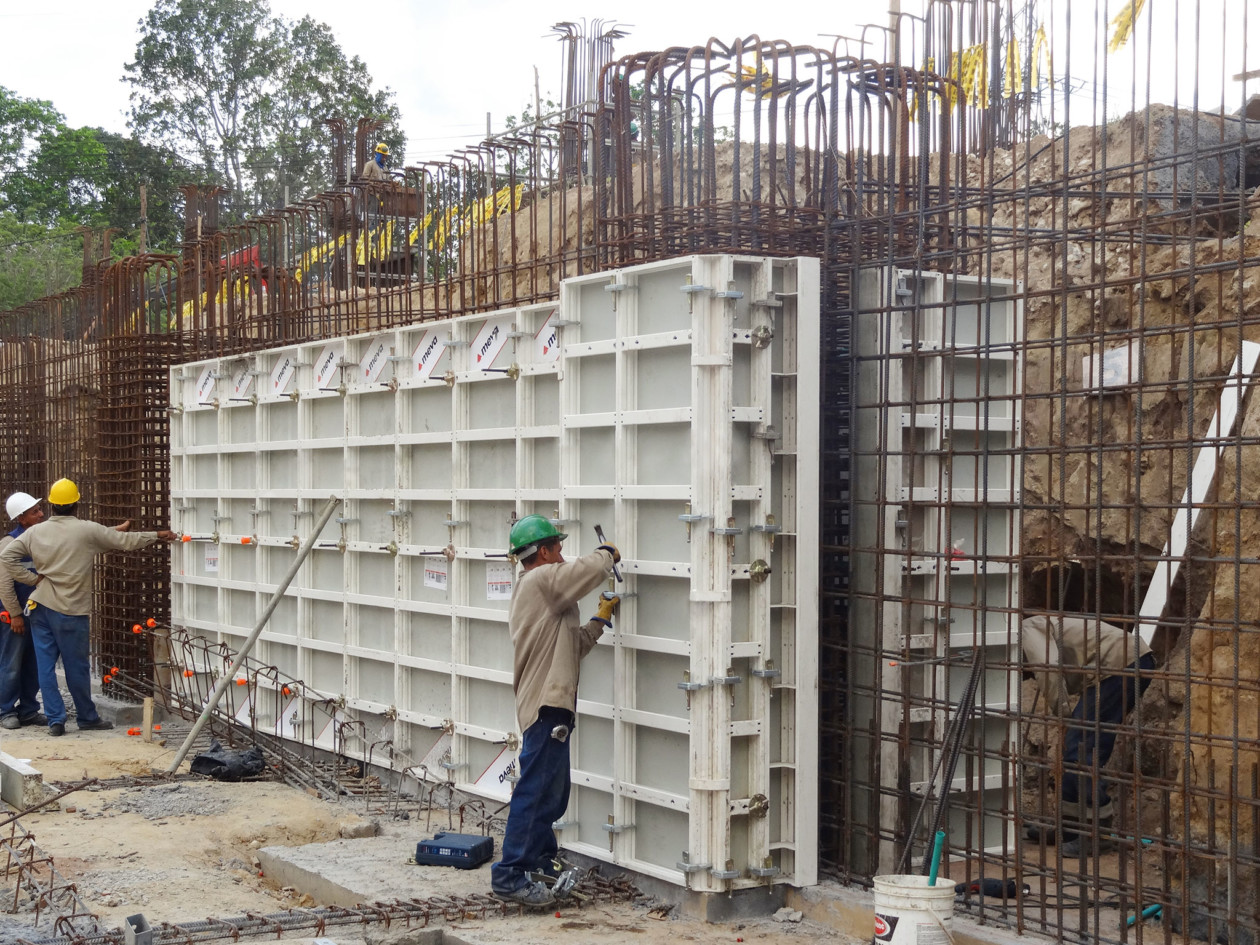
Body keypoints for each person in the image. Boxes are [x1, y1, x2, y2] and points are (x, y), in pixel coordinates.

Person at [489, 514, 619, 906]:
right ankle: (509, 875)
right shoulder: (540, 581)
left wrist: (599, 620)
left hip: (552, 705)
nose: (562, 553)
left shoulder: (544, 595)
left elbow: (571, 647)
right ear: (542, 552)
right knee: (535, 791)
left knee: (550, 793)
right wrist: (607, 553)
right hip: (546, 706)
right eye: (557, 547)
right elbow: (584, 571)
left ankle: (540, 860)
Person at [0, 478, 178, 736]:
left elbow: (6, 556)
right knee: (76, 667)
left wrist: (34, 579)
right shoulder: (86, 529)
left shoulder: (34, 532)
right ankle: (86, 717)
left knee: (45, 667)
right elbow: (124, 541)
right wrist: (159, 535)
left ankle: (55, 720)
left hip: (40, 607)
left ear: (52, 504)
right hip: (71, 610)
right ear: (76, 504)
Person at [1021, 614, 1157, 855]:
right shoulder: (1035, 629)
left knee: (1081, 749)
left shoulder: (1027, 631)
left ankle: (1097, 834)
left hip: (1121, 665)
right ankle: (1072, 829)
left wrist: (1062, 716)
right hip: (1119, 665)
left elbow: (1048, 670)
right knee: (1078, 748)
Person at [0, 493, 46, 729]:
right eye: (34, 512)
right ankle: (5, 710)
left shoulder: (40, 539)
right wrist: (15, 615)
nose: (40, 514)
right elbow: (5, 585)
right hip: (16, 616)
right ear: (21, 518)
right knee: (11, 663)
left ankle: (28, 710)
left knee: (34, 663)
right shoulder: (10, 544)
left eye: (39, 509)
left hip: (37, 613)